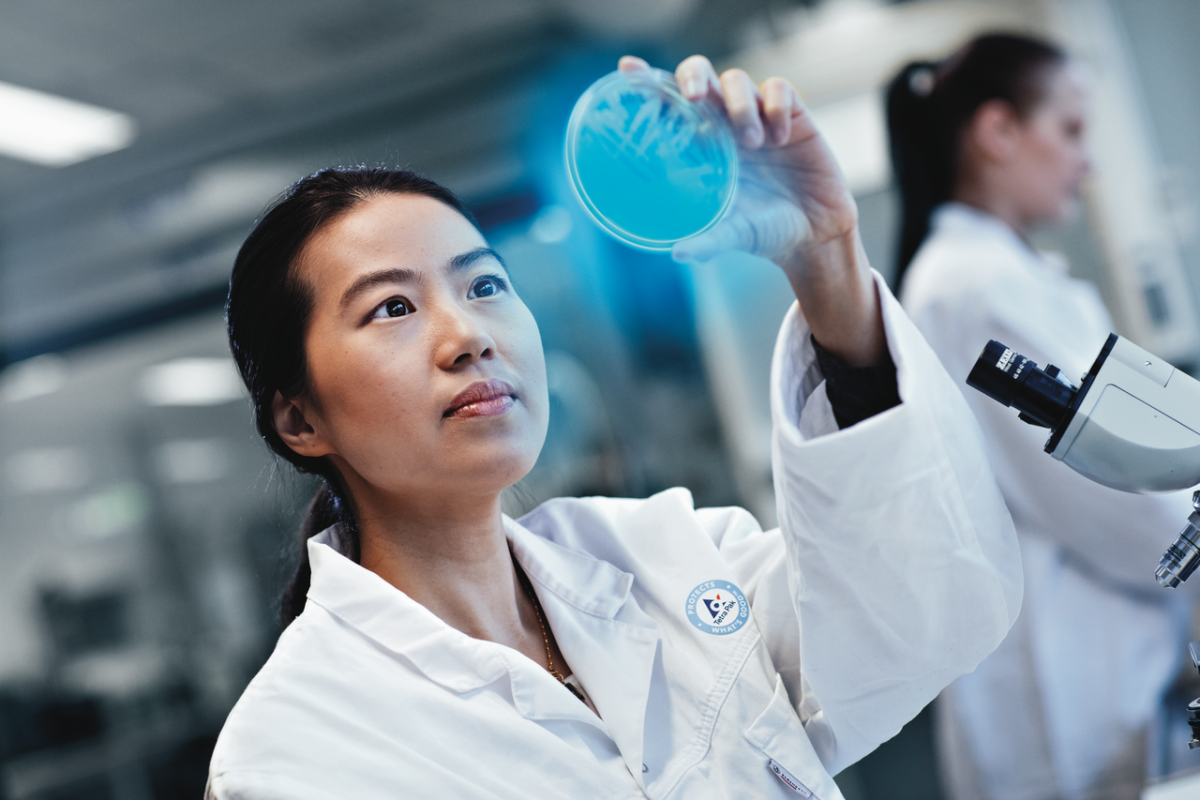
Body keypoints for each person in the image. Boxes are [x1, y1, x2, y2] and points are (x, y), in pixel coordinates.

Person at [206, 54, 1021, 799]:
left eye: (485, 285)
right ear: (299, 418)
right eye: (392, 308)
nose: (469, 335)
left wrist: (825, 255)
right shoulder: (295, 751)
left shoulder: (664, 563)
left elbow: (920, 609)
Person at [890, 32, 1196, 800]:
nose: (1086, 161)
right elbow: (1119, 498)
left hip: (1107, 659)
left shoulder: (1006, 273)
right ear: (997, 132)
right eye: (1069, 130)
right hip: (1067, 679)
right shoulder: (971, 285)